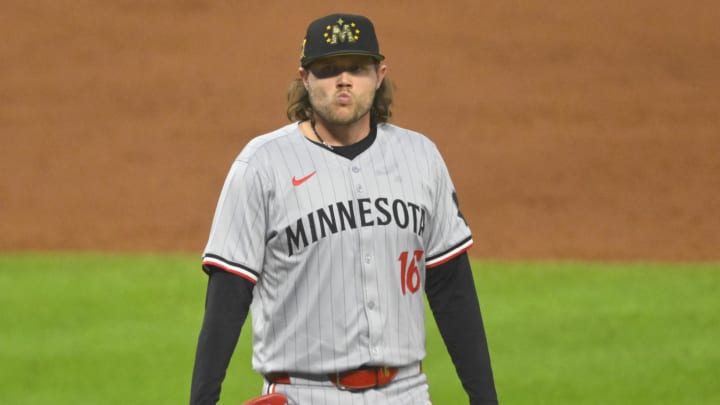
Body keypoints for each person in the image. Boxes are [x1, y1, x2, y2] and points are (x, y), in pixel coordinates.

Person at [189, 13, 499, 405]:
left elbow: (452, 289)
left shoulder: (421, 157)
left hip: (406, 392)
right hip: (303, 392)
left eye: (357, 68)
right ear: (304, 78)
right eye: (328, 69)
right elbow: (228, 295)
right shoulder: (262, 166)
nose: (343, 80)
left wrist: (485, 399)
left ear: (380, 73)